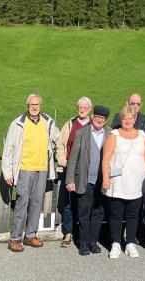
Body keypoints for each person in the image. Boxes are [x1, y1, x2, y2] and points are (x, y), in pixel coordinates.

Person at [2, 93, 59, 252]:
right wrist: (8, 174)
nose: (34, 107)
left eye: (37, 105)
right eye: (31, 105)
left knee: (36, 203)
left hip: (42, 169)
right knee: (22, 203)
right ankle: (14, 238)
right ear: (27, 106)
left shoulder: (48, 121)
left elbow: (58, 138)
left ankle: (30, 235)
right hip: (25, 169)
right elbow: (8, 149)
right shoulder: (18, 124)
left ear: (41, 106)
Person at [102, 105, 145, 259]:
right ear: (121, 119)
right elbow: (106, 158)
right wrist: (106, 177)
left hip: (137, 182)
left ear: (135, 119)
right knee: (116, 214)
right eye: (124, 118)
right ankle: (115, 243)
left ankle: (131, 243)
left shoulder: (142, 135)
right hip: (118, 182)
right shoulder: (114, 135)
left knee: (134, 214)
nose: (127, 121)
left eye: (130, 118)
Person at [65, 105, 111, 256]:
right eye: (97, 117)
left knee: (98, 212)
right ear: (93, 117)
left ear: (105, 121)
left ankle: (93, 241)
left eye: (102, 118)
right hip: (85, 180)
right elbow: (73, 159)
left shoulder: (110, 133)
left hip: (102, 181)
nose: (99, 120)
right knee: (84, 212)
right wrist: (70, 179)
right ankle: (83, 243)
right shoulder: (81, 133)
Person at [55, 96, 92, 248]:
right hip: (69, 170)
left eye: (85, 107)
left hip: (87, 172)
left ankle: (84, 233)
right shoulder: (70, 124)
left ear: (89, 109)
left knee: (85, 203)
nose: (82, 110)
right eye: (80, 107)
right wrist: (63, 161)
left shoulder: (94, 125)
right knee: (68, 203)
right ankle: (68, 233)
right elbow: (60, 144)